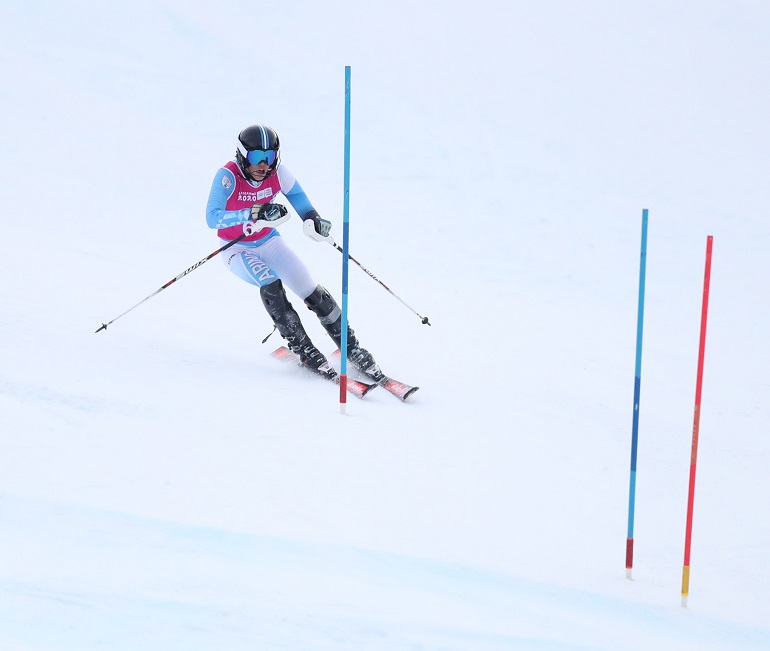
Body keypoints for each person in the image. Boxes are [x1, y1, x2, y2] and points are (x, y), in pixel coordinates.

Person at [205, 124, 383, 382]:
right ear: (243, 155)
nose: (264, 165)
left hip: (269, 242)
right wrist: (253, 213)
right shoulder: (228, 177)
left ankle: (351, 347)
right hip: (237, 248)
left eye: (270, 157)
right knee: (271, 283)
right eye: (256, 157)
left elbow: (300, 200)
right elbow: (212, 218)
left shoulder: (279, 174)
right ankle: (305, 350)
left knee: (310, 288)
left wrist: (313, 220)